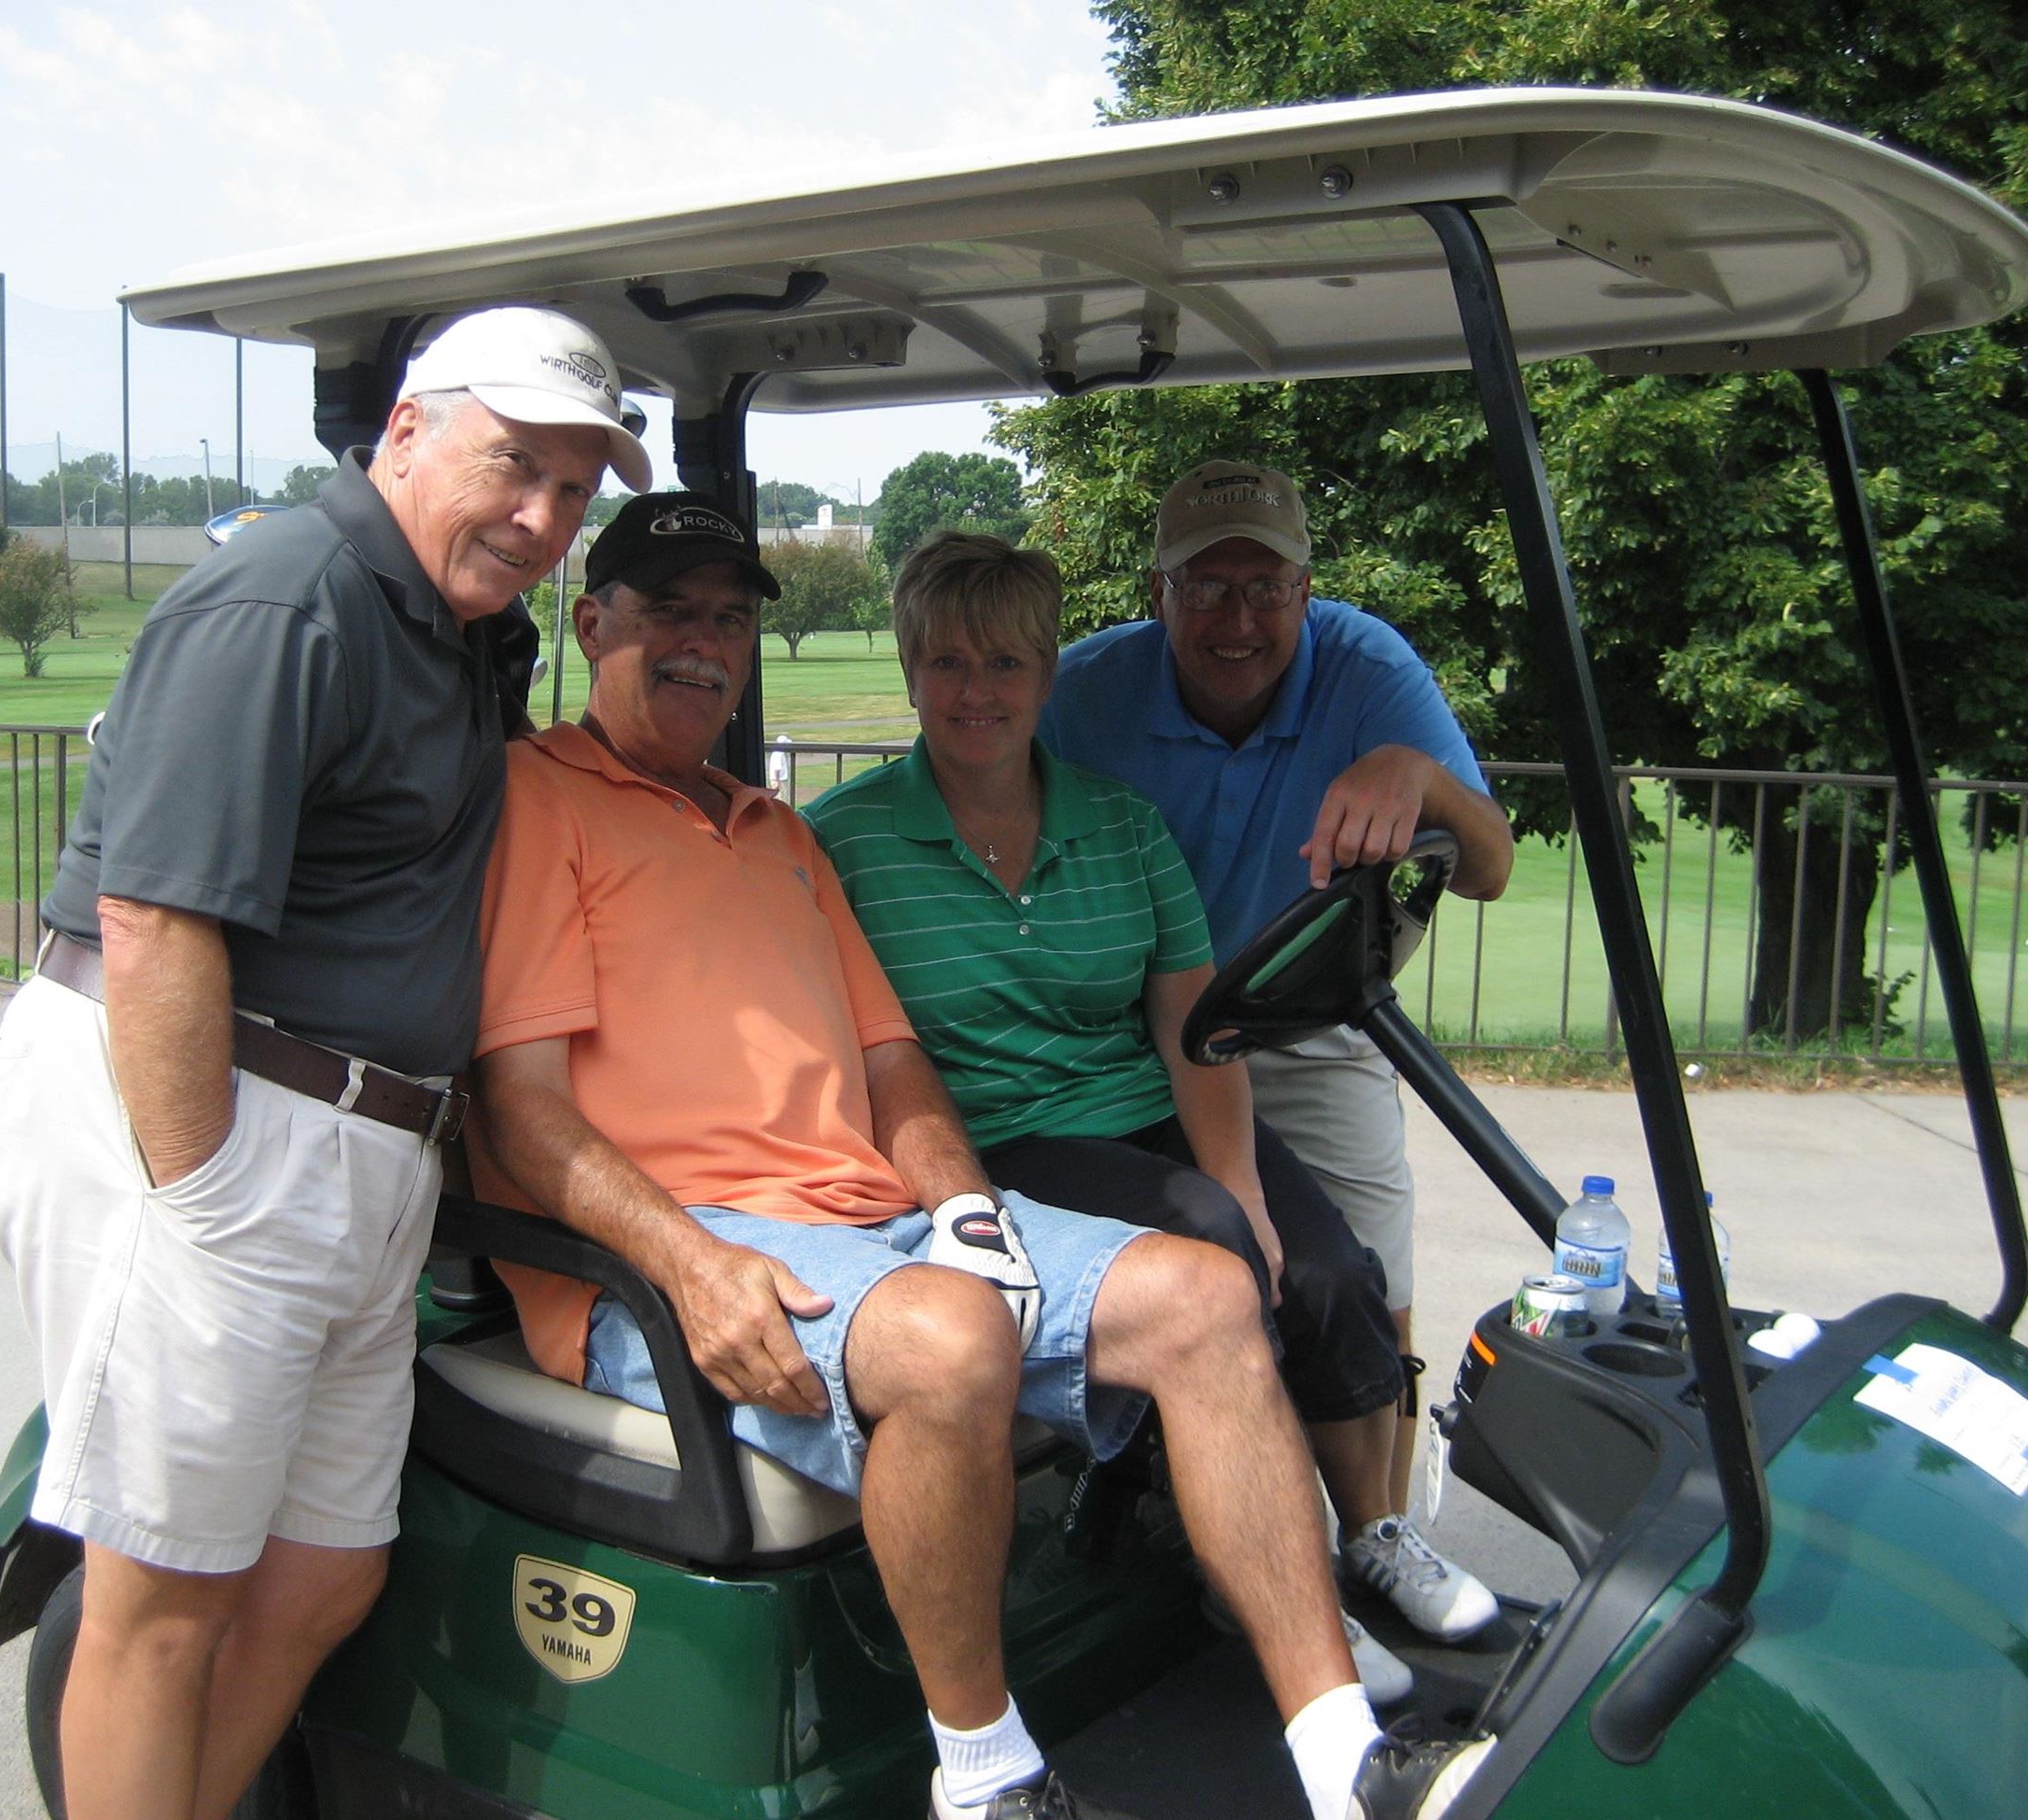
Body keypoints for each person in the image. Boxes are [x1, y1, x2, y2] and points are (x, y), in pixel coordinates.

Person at [466, 490, 1489, 1820]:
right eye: (669, 613)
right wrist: (692, 1264)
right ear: (592, 626)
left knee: (1205, 1292)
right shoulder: (533, 798)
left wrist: (963, 1210)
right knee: (953, 1338)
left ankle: (1342, 1754)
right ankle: (989, 1778)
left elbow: (893, 1062)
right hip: (677, 1252)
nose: (702, 644)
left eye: (728, 620)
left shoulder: (774, 832)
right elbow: (522, 1109)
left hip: (867, 1223)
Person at [0, 306, 650, 1820]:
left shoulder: (461, 631)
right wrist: (199, 1195)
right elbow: (154, 920)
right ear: (406, 429)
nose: (542, 518)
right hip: (213, 1117)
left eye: (570, 490)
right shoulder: (288, 600)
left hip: (358, 1145)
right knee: (166, 1597)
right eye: (514, 465)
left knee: (326, 1572)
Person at [804, 531, 1494, 1701]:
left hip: (1136, 1110)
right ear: (911, 670)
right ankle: (1264, 1576)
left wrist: (1244, 1191)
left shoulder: (1120, 824)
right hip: (996, 1143)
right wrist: (1221, 1221)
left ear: (1046, 677)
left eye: (1005, 663)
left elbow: (1189, 1029)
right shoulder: (844, 841)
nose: (976, 691)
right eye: (947, 663)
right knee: (1214, 1257)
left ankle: (1371, 1533)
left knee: (1326, 1269)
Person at [1039, 459, 1517, 1636]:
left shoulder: (1365, 669)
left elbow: (1490, 866)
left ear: (1306, 590)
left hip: (1301, 1021)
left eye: (1264, 588)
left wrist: (1419, 779)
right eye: (1205, 588)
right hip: (1121, 1033)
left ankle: (1372, 1536)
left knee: (1359, 1281)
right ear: (1158, 593)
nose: (1236, 619)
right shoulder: (1085, 692)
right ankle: (1240, 1538)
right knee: (1202, 1281)